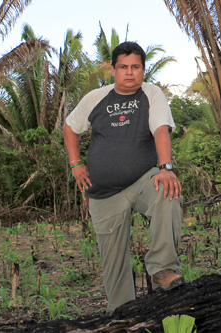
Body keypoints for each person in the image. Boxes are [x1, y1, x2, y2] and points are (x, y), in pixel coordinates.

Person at [63, 41, 184, 315]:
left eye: (136, 67)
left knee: (168, 190)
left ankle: (163, 268)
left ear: (143, 69)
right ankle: (123, 316)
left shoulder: (151, 94)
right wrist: (75, 164)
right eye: (123, 67)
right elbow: (70, 128)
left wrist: (166, 167)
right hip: (104, 193)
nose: (130, 73)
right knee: (114, 264)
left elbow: (161, 130)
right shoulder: (96, 98)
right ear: (112, 70)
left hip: (143, 181)